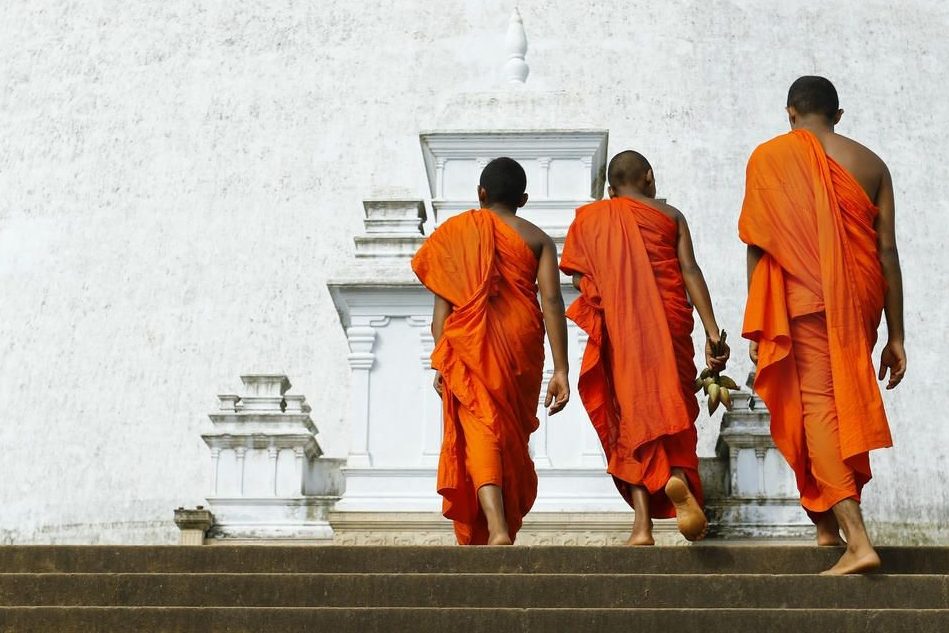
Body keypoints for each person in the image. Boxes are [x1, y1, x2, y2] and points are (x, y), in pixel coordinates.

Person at [740, 76, 906, 574]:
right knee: (839, 404)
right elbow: (887, 251)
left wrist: (758, 318)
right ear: (838, 113)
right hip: (858, 299)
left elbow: (758, 242)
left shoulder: (769, 158)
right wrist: (897, 335)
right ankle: (826, 527)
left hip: (803, 300)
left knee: (817, 410)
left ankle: (857, 539)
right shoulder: (871, 163)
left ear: (791, 112)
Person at [560, 150, 729, 544]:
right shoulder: (670, 216)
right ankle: (675, 476)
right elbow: (689, 270)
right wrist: (712, 332)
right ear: (649, 177)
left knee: (629, 419)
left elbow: (579, 282)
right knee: (672, 410)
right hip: (670, 328)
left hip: (621, 333)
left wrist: (608, 291)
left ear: (609, 189)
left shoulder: (589, 220)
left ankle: (642, 526)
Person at [411, 156, 570, 545]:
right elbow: (551, 301)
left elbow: (441, 314)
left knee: (482, 428)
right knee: (507, 433)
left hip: (470, 346)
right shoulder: (538, 239)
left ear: (480, 194)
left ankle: (497, 526)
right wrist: (562, 370)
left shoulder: (456, 234)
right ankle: (500, 525)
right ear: (524, 198)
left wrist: (446, 358)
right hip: (520, 345)